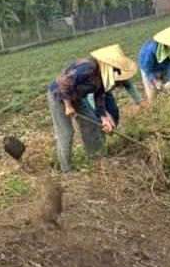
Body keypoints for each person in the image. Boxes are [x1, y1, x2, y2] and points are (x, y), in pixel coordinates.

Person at [46, 44, 137, 173]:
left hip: (77, 97)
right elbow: (63, 82)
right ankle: (66, 170)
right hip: (59, 96)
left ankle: (95, 159)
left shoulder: (103, 76)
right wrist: (68, 105)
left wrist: (104, 118)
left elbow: (99, 96)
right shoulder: (88, 68)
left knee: (92, 125)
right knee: (66, 133)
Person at [137, 25, 170, 104]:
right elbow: (147, 69)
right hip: (148, 68)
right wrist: (155, 81)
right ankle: (155, 110)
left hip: (165, 66)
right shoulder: (150, 50)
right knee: (153, 94)